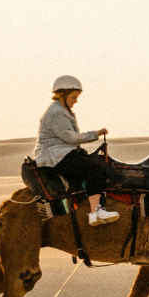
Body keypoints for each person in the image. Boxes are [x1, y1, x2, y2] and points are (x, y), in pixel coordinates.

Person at [35, 75, 116, 224]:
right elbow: (71, 138)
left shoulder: (62, 111)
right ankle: (95, 212)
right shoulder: (57, 113)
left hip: (61, 153)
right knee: (95, 170)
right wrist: (95, 134)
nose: (76, 100)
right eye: (73, 97)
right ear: (62, 95)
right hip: (55, 156)